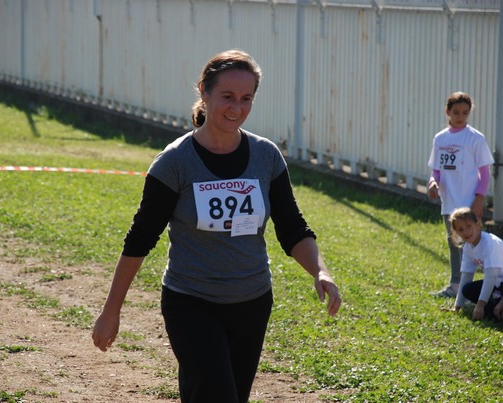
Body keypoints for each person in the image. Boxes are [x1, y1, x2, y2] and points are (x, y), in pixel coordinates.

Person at [91, 49, 342, 403]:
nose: (236, 108)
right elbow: (140, 239)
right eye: (227, 96)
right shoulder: (174, 163)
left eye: (246, 98)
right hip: (191, 302)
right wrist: (111, 310)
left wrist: (320, 271)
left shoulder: (266, 156)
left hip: (252, 302)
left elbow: (292, 228)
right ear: (204, 93)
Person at [427, 92, 494, 298]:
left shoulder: (475, 138)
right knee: (454, 244)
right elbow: (436, 170)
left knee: (473, 245)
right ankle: (456, 285)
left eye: (465, 113)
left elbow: (484, 173)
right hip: (449, 202)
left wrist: (479, 199)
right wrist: (432, 183)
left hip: (468, 202)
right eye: (456, 112)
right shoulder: (440, 138)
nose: (460, 116)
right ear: (447, 111)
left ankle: (481, 287)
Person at [450, 207, 503, 322]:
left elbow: (490, 277)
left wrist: (481, 304)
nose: (466, 232)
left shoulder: (489, 243)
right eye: (460, 229)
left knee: (488, 307)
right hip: (500, 284)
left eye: (468, 226)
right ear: (456, 233)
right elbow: (466, 276)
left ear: (477, 224)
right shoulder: (468, 247)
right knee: (467, 290)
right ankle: (494, 309)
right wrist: (457, 307)